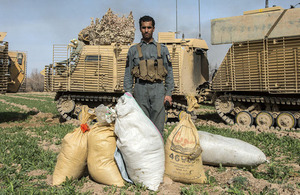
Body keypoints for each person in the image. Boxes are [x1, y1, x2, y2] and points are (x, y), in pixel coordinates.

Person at [123, 15, 174, 135]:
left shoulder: (162, 49)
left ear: (154, 29)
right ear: (140, 29)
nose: (146, 30)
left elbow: (169, 73)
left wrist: (168, 93)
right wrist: (128, 95)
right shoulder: (133, 50)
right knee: (141, 125)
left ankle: (158, 151)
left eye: (149, 27)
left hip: (158, 89)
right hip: (140, 89)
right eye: (144, 27)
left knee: (158, 125)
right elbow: (128, 74)